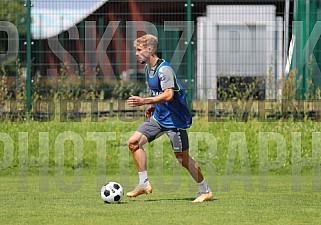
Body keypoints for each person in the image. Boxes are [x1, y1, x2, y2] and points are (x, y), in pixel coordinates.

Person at [126, 34, 212, 202]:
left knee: (183, 159)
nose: (136, 53)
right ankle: (143, 184)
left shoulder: (164, 69)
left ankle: (206, 191)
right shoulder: (148, 69)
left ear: (149, 50)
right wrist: (152, 106)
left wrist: (145, 101)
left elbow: (169, 94)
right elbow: (158, 92)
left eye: (139, 50)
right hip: (159, 118)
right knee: (133, 143)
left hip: (175, 121)